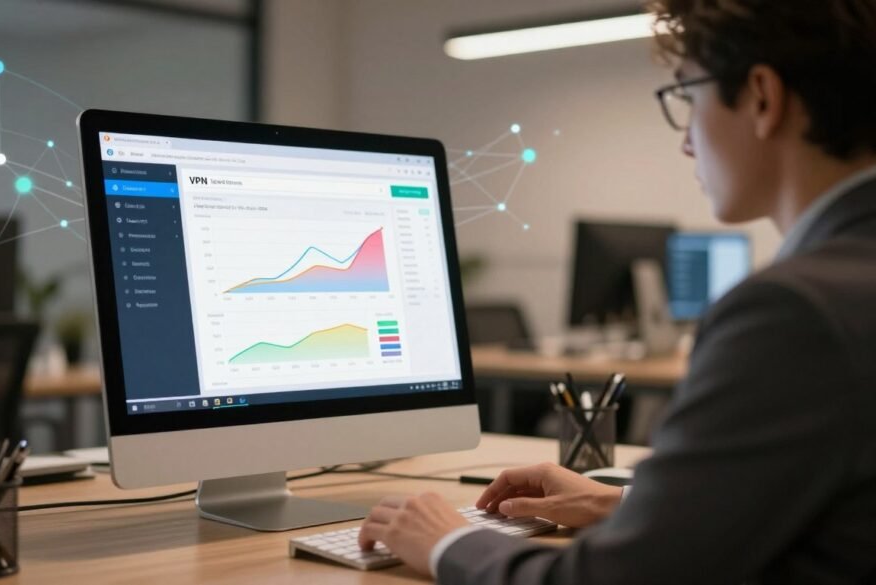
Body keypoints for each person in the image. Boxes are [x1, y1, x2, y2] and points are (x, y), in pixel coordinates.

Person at [358, 1, 876, 583]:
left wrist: (449, 542)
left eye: (687, 98)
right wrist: (629, 506)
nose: (685, 143)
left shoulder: (794, 312)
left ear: (761, 96)